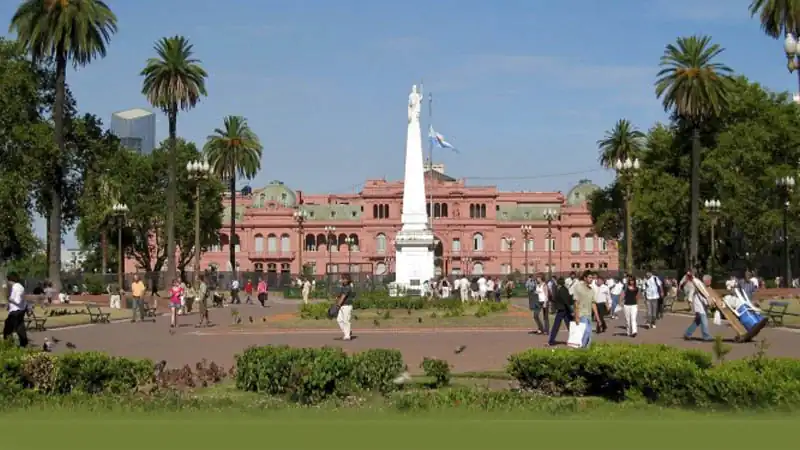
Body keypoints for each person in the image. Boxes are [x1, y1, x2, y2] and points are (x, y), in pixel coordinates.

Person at [682, 273, 713, 342]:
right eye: (710, 280)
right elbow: (703, 298)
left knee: (697, 322)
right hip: (699, 308)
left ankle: (687, 334)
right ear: (707, 281)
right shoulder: (701, 288)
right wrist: (709, 303)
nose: (711, 282)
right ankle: (706, 336)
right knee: (704, 322)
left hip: (700, 308)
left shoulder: (703, 287)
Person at [573, 271, 599, 348]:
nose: (591, 279)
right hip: (581, 314)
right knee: (586, 331)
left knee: (590, 335)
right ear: (585, 278)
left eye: (592, 278)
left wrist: (597, 318)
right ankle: (581, 349)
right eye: (590, 277)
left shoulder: (592, 290)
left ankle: (586, 351)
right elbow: (576, 302)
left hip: (589, 315)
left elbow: (593, 304)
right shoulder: (578, 287)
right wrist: (576, 316)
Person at [3, 272, 28, 347]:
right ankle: (23, 343)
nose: (8, 282)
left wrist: (9, 298)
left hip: (16, 311)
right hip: (18, 310)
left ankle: (8, 343)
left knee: (8, 328)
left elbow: (17, 301)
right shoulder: (18, 286)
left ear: (11, 280)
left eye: (8, 280)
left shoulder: (17, 287)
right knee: (19, 327)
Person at [547, 277, 573, 346]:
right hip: (563, 309)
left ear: (559, 283)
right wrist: (551, 298)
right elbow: (558, 300)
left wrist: (571, 311)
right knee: (569, 325)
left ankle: (551, 341)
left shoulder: (562, 290)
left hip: (563, 310)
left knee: (556, 325)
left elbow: (566, 301)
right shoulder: (561, 289)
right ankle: (574, 339)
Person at [336, 274, 355, 341]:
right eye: (342, 278)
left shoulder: (347, 287)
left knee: (346, 321)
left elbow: (343, 296)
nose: (342, 280)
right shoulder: (343, 286)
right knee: (339, 320)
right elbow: (339, 296)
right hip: (342, 306)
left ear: (347, 280)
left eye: (343, 279)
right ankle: (348, 332)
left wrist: (337, 305)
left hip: (347, 306)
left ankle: (347, 336)